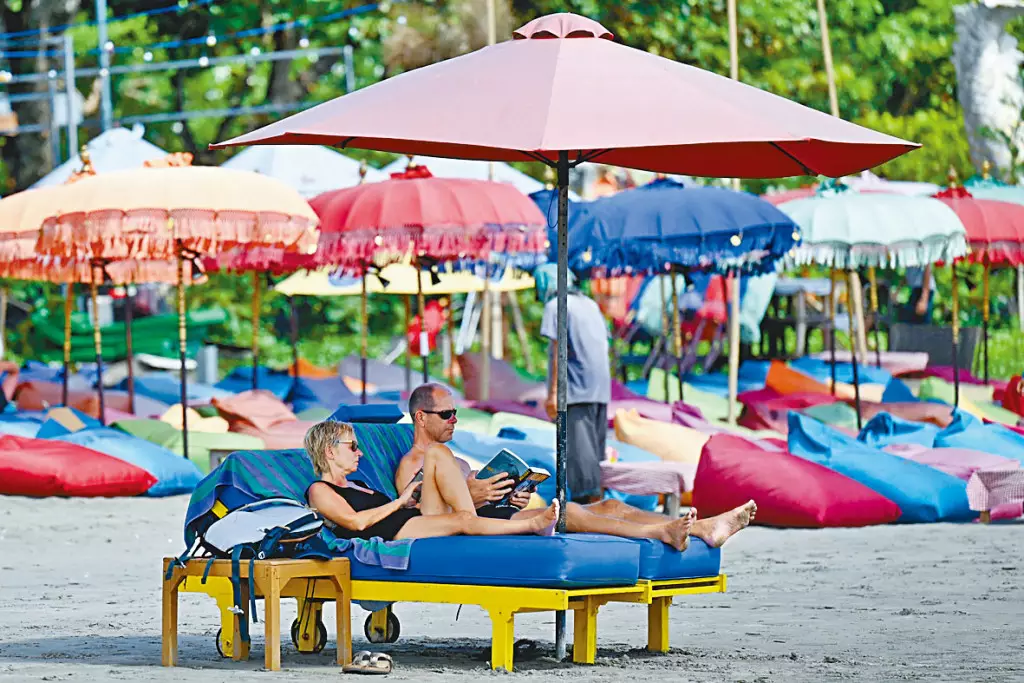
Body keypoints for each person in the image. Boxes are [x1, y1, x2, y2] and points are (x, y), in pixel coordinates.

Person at [395, 383, 757, 552]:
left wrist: (509, 493)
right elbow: (430, 517)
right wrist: (474, 496)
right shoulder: (410, 464)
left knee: (610, 505)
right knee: (572, 513)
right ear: (421, 417)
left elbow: (471, 496)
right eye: (447, 414)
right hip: (479, 528)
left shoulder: (455, 459)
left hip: (499, 514)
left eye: (456, 412)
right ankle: (662, 531)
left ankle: (703, 527)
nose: (455, 420)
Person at [304, 420, 559, 541]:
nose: (359, 452)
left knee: (437, 451)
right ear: (329, 452)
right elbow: (356, 522)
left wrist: (408, 501)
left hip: (411, 518)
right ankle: (532, 525)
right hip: (396, 532)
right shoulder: (319, 490)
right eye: (352, 446)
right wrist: (399, 502)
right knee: (463, 519)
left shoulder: (359, 485)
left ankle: (487, 516)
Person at [534, 263, 610, 503]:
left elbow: (558, 351)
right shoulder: (590, 304)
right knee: (595, 459)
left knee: (582, 467)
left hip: (575, 391)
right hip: (600, 389)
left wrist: (553, 394)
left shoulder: (556, 306)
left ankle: (590, 515)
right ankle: (598, 508)